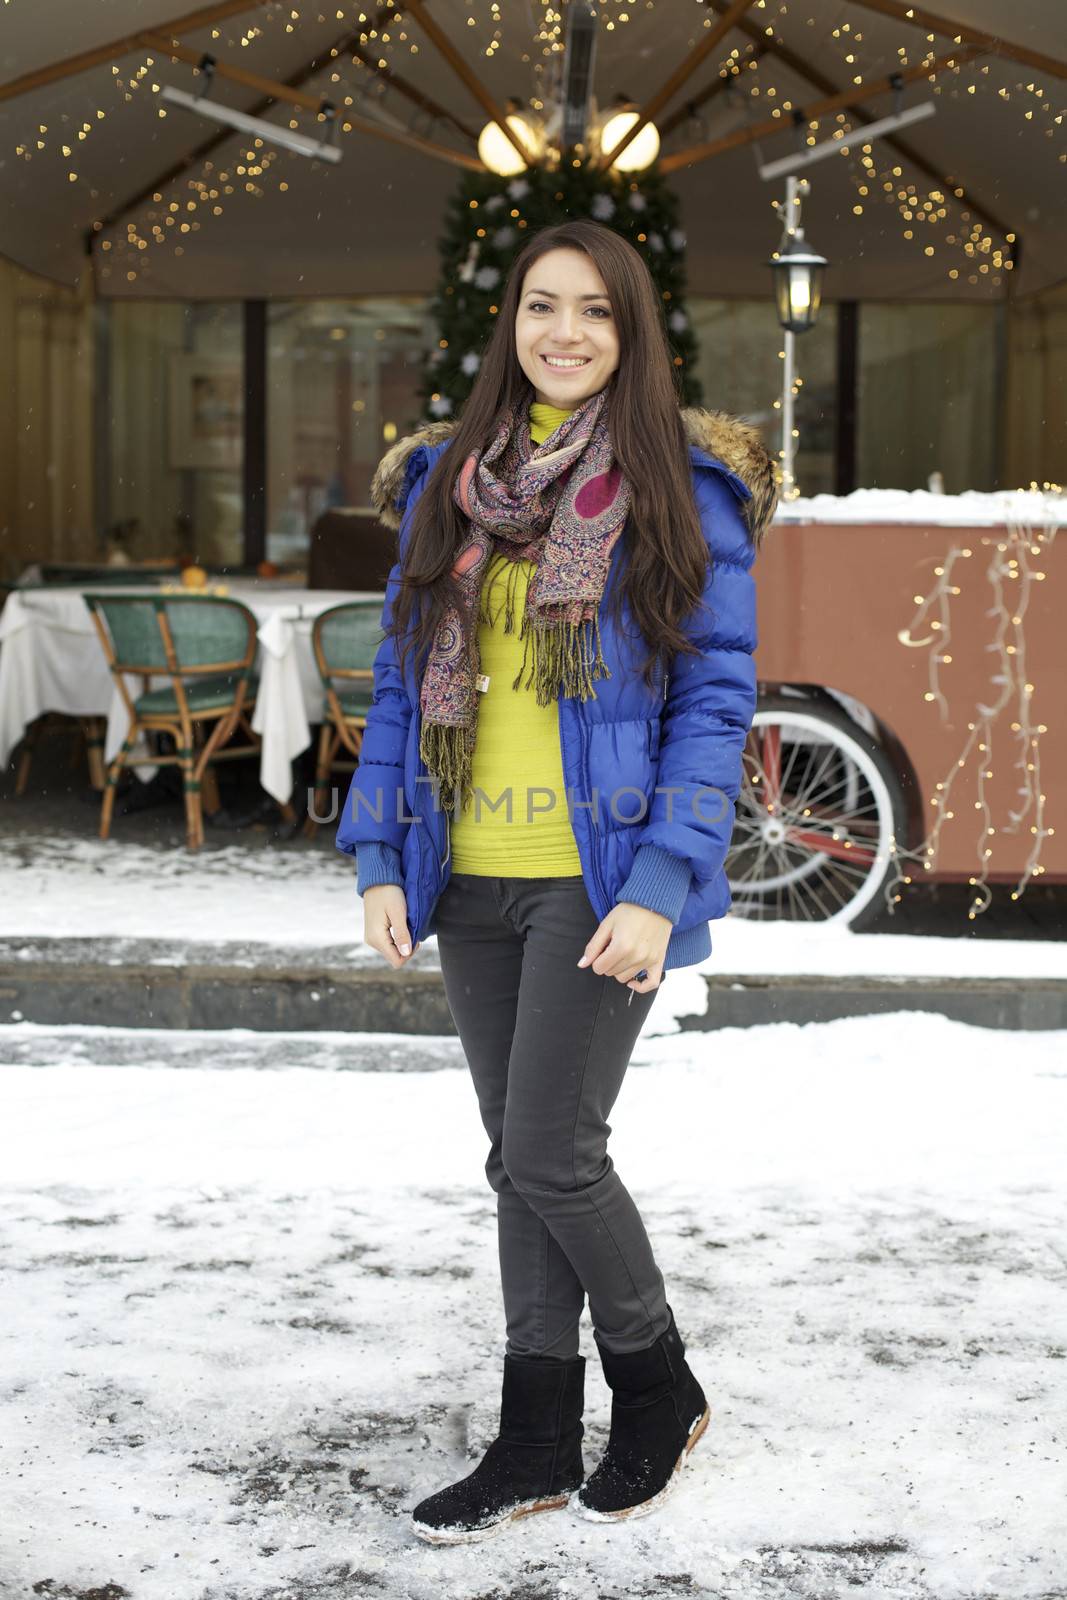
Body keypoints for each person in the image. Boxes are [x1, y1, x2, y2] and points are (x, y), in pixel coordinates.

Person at [336, 219, 776, 1543]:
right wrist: (375, 853)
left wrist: (661, 880)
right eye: (542, 306)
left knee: (550, 1151)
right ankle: (533, 1438)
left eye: (595, 310)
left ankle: (655, 1384)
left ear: (632, 333)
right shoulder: (449, 485)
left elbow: (715, 696)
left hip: (600, 876)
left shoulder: (680, 491)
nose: (566, 331)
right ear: (510, 324)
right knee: (514, 1162)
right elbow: (403, 683)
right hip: (467, 874)